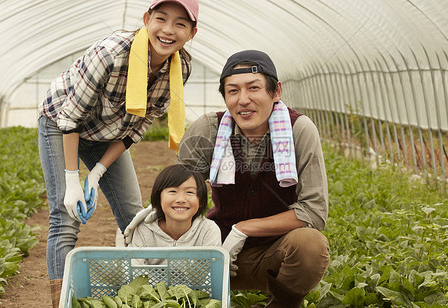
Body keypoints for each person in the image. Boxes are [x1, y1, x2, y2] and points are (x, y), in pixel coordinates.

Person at [125, 50, 330, 307]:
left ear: (275, 91)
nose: (243, 100)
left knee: (310, 246)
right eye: (233, 91)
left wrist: (243, 229)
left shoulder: (298, 130)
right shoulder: (208, 130)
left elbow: (313, 212)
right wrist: (150, 220)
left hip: (275, 251)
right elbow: (179, 191)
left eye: (253, 88)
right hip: (214, 246)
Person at [37, 0, 198, 306]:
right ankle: (61, 301)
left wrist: (97, 174)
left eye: (180, 24)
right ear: (146, 18)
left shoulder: (180, 68)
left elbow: (137, 128)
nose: (167, 30)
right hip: (61, 122)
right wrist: (74, 181)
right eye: (161, 18)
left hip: (109, 133)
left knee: (134, 215)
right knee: (64, 215)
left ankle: (153, 296)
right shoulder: (110, 53)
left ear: (191, 32)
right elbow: (70, 119)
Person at [127, 164, 221, 261]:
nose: (181, 200)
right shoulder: (144, 230)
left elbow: (212, 270)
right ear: (159, 198)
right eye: (172, 191)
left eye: (190, 192)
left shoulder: (208, 230)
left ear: (201, 201)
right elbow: (133, 268)